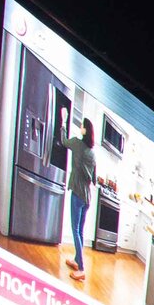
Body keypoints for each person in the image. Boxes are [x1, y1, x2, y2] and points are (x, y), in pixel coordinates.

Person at [56, 113, 98, 279]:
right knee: (80, 230)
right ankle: (76, 259)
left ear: (84, 130)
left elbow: (63, 141)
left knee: (75, 230)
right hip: (87, 197)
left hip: (77, 195)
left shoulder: (76, 143)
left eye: (82, 125)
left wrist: (64, 122)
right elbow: (94, 179)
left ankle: (81, 269)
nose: (80, 127)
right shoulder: (93, 154)